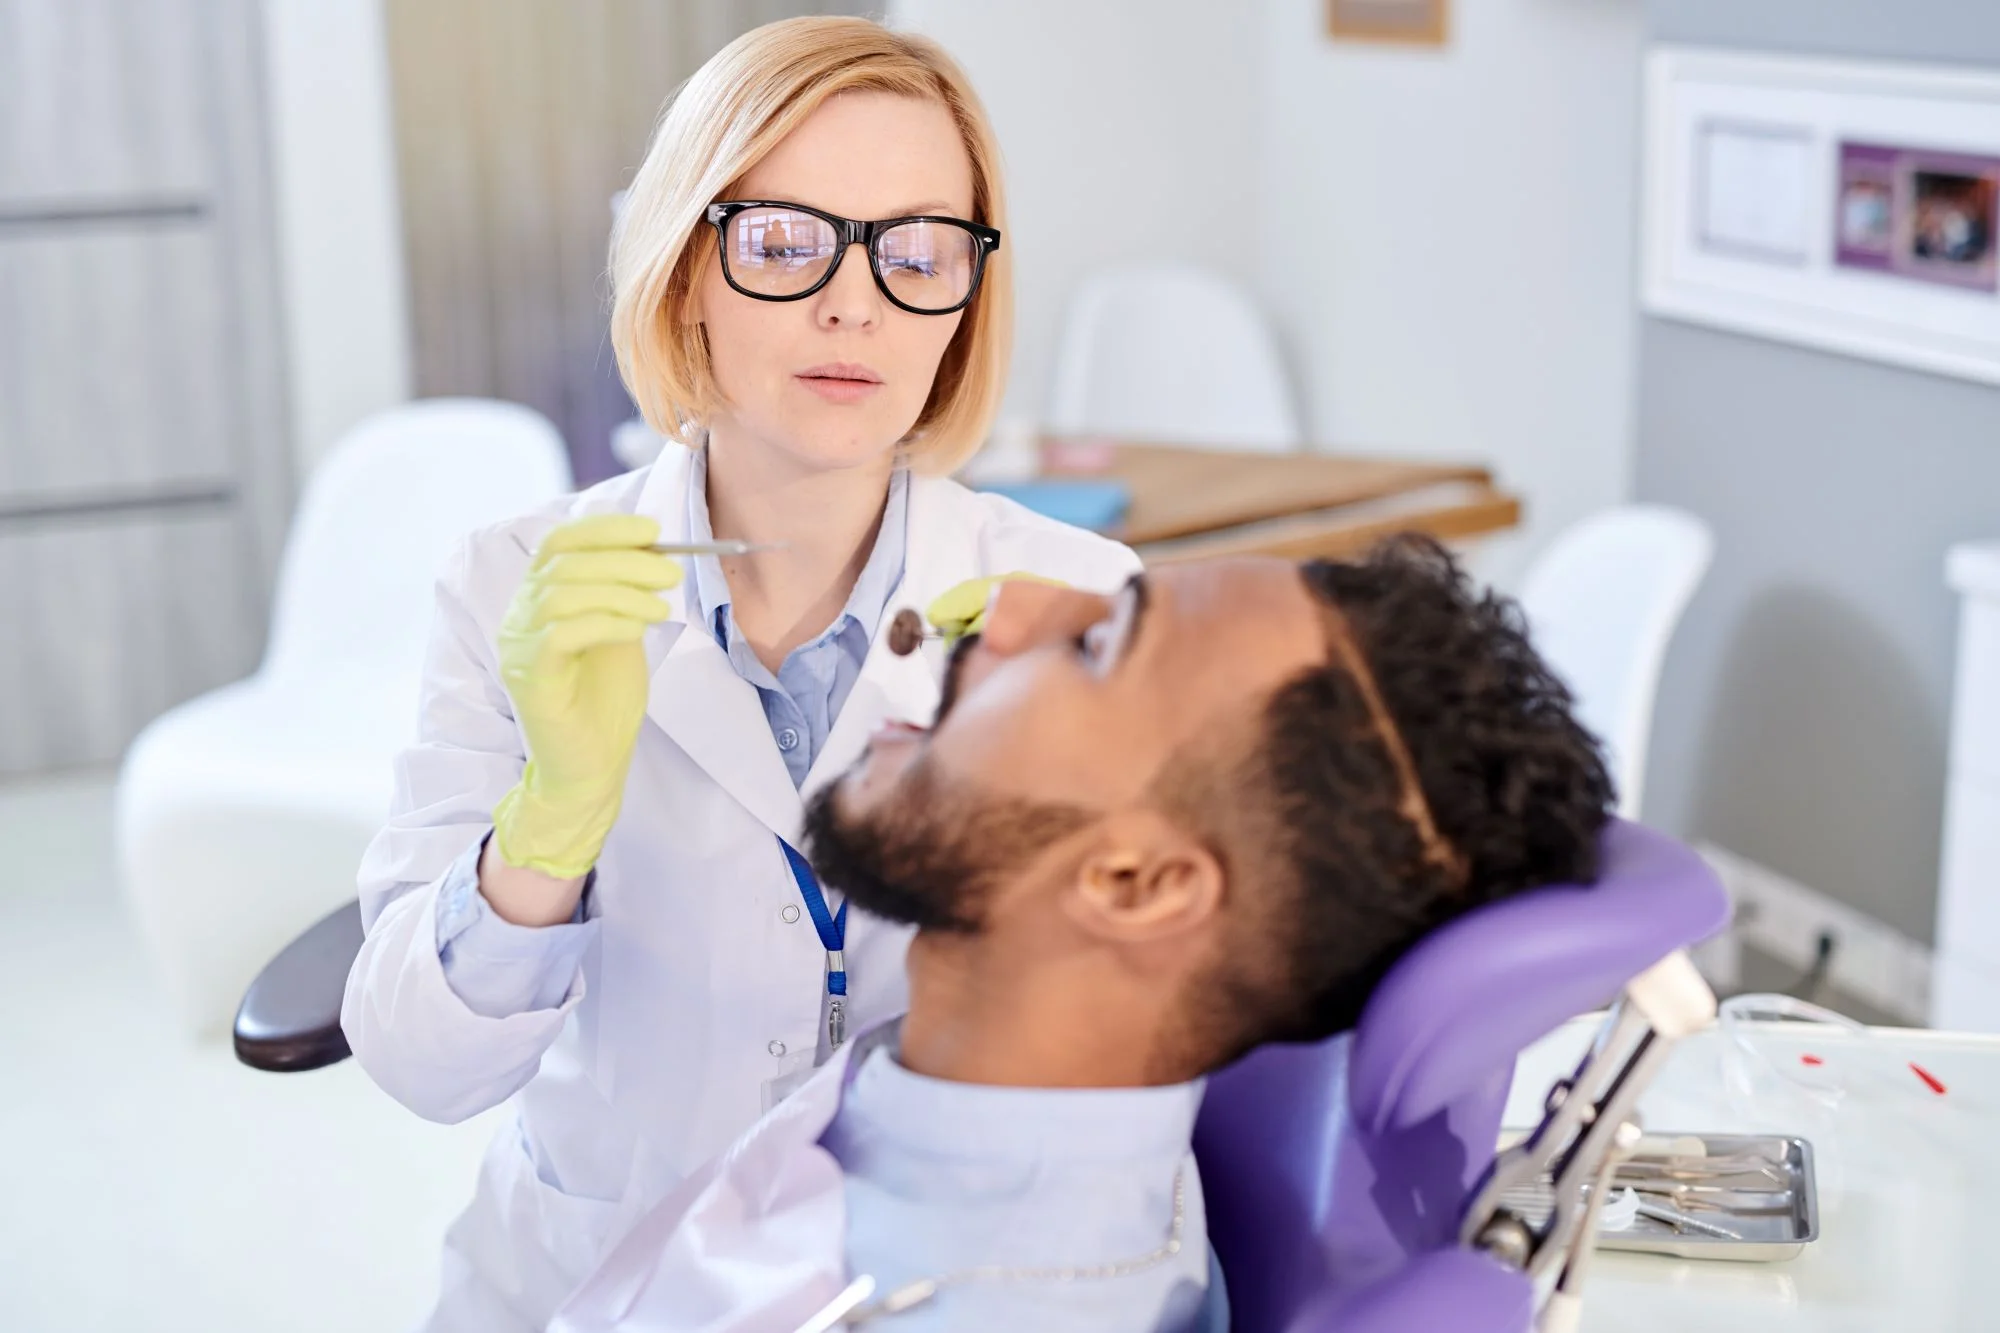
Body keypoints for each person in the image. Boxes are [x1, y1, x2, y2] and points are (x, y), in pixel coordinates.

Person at [339, 18, 1137, 1332]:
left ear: (966, 296)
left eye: (919, 250)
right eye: (783, 241)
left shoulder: (1084, 607)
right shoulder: (517, 587)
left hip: (941, 1288)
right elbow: (423, 1067)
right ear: (685, 271)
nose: (854, 302)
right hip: (591, 1282)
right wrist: (549, 822)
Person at [549, 536, 1615, 1332]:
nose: (1007, 609)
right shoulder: (1000, 1117)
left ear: (1135, 883)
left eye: (1097, 642)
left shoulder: (916, 1302)